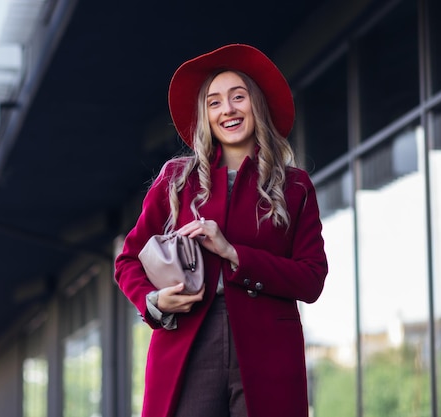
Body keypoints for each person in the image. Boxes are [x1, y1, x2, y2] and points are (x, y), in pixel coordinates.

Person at [114, 44, 328, 417]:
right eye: (214, 102)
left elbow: (312, 278)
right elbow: (128, 260)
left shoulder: (294, 187)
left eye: (238, 97)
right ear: (205, 116)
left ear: (255, 105)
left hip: (269, 350)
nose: (227, 109)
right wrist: (152, 302)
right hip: (188, 341)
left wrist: (234, 254)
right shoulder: (175, 180)